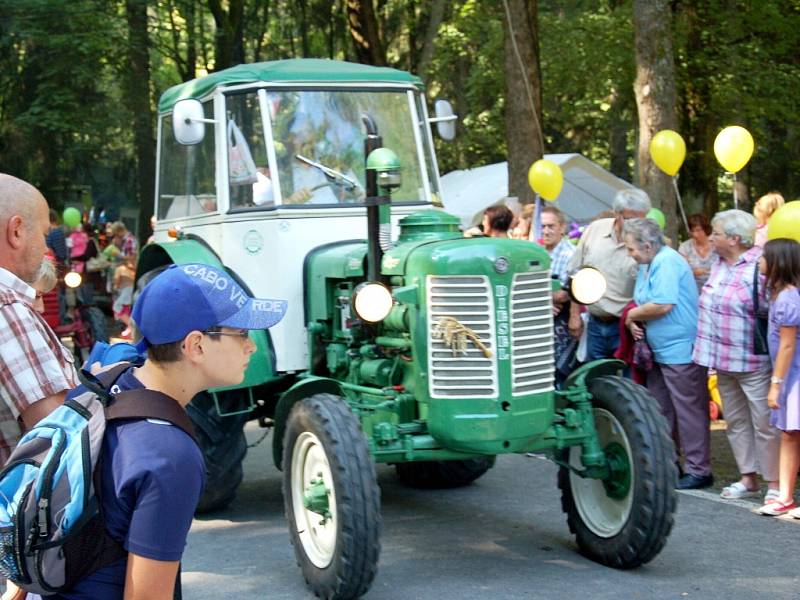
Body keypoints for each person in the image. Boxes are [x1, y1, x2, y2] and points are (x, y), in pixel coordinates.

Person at [5, 263, 287, 600]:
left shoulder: (102, 382)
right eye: (240, 333)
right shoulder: (170, 457)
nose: (251, 346)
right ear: (195, 345)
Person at [693, 209, 780, 502]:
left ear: (733, 239)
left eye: (716, 233)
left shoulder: (760, 266)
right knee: (736, 421)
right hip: (721, 358)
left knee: (764, 424)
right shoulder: (718, 263)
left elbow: (776, 311)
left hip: (753, 360)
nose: (711, 237)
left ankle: (775, 483)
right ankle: (748, 478)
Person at [622, 218, 712, 489]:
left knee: (688, 410)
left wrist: (631, 316)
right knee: (660, 408)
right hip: (658, 349)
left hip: (680, 348)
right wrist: (634, 317)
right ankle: (667, 462)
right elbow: (644, 301)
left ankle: (699, 469)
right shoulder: (648, 263)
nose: (630, 254)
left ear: (647, 245)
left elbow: (662, 304)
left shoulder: (667, 261)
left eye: (631, 249)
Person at [0, 174, 79, 464]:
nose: (46, 248)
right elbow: (61, 437)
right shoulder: (8, 309)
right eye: (44, 234)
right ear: (17, 231)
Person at [567, 189, 650, 359]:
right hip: (594, 324)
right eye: (629, 219)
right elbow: (577, 274)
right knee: (596, 380)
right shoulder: (595, 230)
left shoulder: (648, 240)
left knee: (626, 383)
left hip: (626, 327)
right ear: (616, 214)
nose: (635, 224)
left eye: (640, 219)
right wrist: (574, 315)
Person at [757, 239, 800, 516]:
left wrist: (776, 385)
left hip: (793, 376)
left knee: (792, 433)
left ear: (778, 262)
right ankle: (785, 496)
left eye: (764, 256)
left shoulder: (788, 298)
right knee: (790, 434)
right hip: (790, 375)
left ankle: (786, 495)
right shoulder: (779, 294)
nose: (759, 260)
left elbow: (787, 345)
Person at [541, 206, 577, 383]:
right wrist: (546, 300)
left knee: (557, 371)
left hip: (560, 320)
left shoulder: (569, 254)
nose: (546, 231)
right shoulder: (537, 252)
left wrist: (539, 297)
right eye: (543, 226)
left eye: (551, 226)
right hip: (539, 320)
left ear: (562, 228)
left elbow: (565, 294)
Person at [678, 213, 718, 292]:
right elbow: (679, 272)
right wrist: (692, 273)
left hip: (715, 289)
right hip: (691, 290)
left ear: (706, 229)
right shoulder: (685, 247)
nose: (695, 234)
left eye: (698, 230)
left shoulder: (717, 245)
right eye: (692, 231)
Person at [112, 255, 136, 339]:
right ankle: (130, 329)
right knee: (127, 310)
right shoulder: (135, 270)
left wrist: (115, 287)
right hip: (134, 292)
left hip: (126, 291)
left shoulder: (120, 269)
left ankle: (133, 327)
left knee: (117, 307)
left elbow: (116, 282)